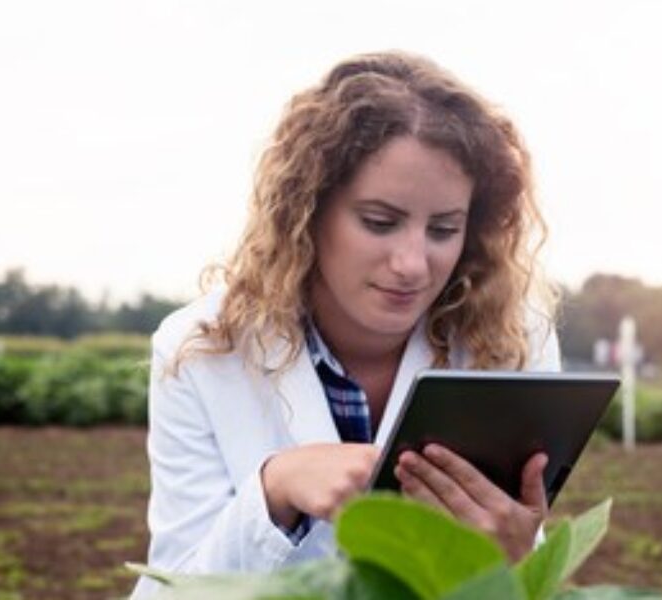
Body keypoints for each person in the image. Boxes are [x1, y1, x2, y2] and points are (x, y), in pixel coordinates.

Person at [132, 50, 561, 597]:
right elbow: (174, 589)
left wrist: (517, 560)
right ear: (308, 210)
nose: (411, 263)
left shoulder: (514, 337)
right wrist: (275, 488)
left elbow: (520, 569)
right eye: (379, 222)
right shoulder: (198, 349)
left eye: (443, 229)